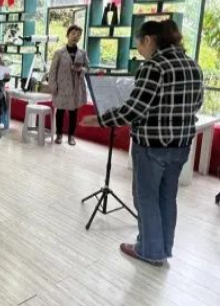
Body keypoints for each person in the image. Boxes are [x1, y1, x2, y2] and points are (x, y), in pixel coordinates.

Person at [81, 20, 204, 267]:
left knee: (146, 197)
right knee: (167, 198)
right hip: (181, 145)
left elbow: (134, 110)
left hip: (152, 145)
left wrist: (100, 120)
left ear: (148, 39)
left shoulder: (154, 66)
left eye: (139, 43)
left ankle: (149, 250)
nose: (139, 48)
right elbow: (197, 103)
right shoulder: (193, 65)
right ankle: (163, 248)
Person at [48, 25, 89, 145]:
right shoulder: (59, 53)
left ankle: (71, 136)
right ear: (67, 35)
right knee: (60, 112)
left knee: (73, 113)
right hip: (61, 87)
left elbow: (88, 68)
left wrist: (81, 69)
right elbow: (52, 71)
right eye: (73, 34)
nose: (76, 36)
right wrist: (53, 86)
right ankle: (59, 135)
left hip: (76, 88)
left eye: (78, 35)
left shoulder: (82, 53)